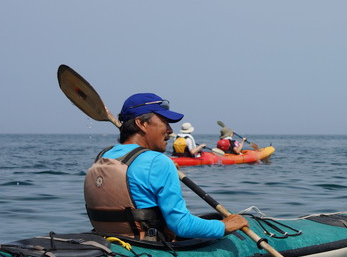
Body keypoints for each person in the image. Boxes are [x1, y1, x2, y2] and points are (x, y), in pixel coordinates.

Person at [84, 92, 248, 242]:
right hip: (146, 248)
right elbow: (182, 225)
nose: (170, 130)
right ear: (141, 123)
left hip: (109, 241)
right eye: (164, 122)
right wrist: (225, 226)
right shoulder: (158, 161)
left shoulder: (103, 156)